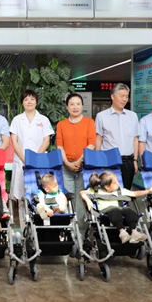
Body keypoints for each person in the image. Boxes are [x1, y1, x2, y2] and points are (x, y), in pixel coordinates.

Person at [10, 89, 54, 229]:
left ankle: (40, 227)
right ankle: (24, 228)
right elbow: (14, 141)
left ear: (36, 101)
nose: (29, 102)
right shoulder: (17, 119)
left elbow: (46, 140)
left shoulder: (43, 119)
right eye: (26, 99)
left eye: (32, 99)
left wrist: (35, 159)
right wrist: (25, 159)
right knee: (21, 196)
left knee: (40, 194)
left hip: (39, 162)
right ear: (22, 102)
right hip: (21, 161)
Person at [80, 171, 152, 244]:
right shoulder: (96, 190)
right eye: (115, 183)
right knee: (115, 210)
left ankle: (134, 232)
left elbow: (134, 193)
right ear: (107, 186)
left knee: (128, 210)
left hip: (119, 210)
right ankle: (122, 232)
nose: (118, 184)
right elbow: (82, 193)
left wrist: (148, 191)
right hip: (105, 211)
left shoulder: (119, 191)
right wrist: (87, 200)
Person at [55, 93, 95, 223]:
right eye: (71, 104)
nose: (75, 107)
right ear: (67, 107)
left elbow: (91, 144)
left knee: (82, 198)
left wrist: (79, 161)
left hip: (84, 166)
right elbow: (59, 146)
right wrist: (67, 163)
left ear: (82, 106)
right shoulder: (61, 124)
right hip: (66, 167)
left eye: (78, 104)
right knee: (67, 198)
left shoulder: (89, 122)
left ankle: (81, 230)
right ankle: (70, 229)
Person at [95, 83, 140, 190]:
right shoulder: (101, 116)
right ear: (112, 96)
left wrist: (135, 160)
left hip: (128, 161)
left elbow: (135, 139)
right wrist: (98, 160)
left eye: (126, 96)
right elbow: (99, 138)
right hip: (108, 161)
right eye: (121, 96)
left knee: (126, 192)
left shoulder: (132, 116)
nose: (124, 99)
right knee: (109, 192)